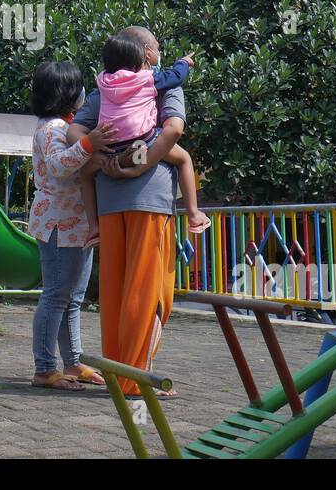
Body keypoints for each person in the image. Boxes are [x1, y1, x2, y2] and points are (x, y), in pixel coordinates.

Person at [67, 26, 201, 397]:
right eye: (157, 46)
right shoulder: (161, 84)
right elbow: (173, 130)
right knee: (151, 293)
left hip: (109, 203)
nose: (160, 51)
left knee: (116, 291)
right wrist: (139, 162)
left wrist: (103, 158)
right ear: (145, 53)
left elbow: (74, 134)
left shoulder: (103, 89)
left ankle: (116, 374)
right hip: (149, 199)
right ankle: (136, 380)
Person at [26, 60, 117, 391]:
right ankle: (45, 368)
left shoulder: (64, 126)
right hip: (59, 225)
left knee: (71, 298)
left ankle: (73, 362)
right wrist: (90, 143)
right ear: (66, 93)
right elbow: (58, 166)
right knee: (55, 297)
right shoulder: (51, 129)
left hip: (75, 225)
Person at [82, 33, 204, 240]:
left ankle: (93, 227)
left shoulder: (103, 83)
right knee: (184, 159)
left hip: (111, 149)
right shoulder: (146, 80)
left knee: (84, 174)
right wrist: (183, 62)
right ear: (143, 57)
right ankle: (194, 215)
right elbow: (176, 80)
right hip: (141, 144)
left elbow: (73, 133)